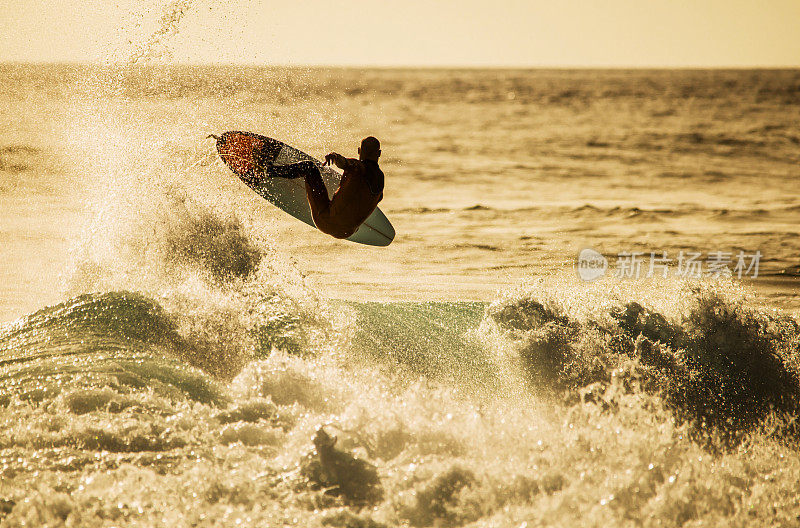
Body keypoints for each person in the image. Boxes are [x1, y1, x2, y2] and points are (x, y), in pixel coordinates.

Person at [267, 136, 384, 239]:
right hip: (347, 232)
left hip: (325, 220)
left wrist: (334, 156)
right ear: (379, 153)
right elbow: (375, 199)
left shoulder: (358, 167)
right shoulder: (380, 180)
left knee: (309, 167)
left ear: (359, 151)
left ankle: (269, 170)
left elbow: (343, 162)